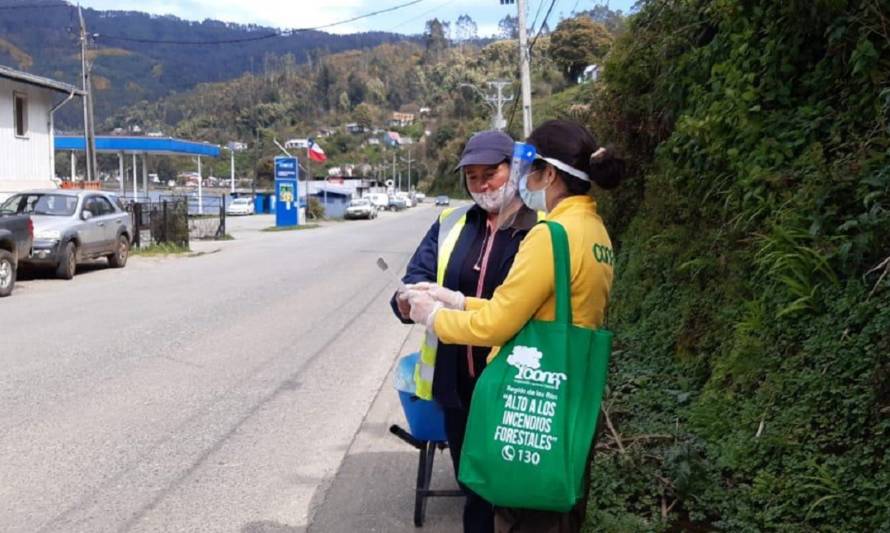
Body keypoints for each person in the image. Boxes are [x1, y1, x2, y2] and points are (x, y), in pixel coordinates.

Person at [407, 119, 625, 533]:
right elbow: (534, 309)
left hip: (533, 397)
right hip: (572, 393)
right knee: (562, 510)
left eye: (528, 167)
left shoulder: (551, 234)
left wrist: (433, 316)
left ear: (550, 173)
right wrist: (458, 300)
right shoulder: (594, 230)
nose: (524, 179)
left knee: (524, 515)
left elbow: (497, 324)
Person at [390, 130, 537, 533]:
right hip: (457, 385)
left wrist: (451, 304)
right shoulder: (451, 222)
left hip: (513, 383)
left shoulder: (540, 227)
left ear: (517, 168)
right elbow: (416, 276)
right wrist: (406, 301)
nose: (483, 184)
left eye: (492, 172)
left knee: (514, 490)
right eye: (473, 177)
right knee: (472, 484)